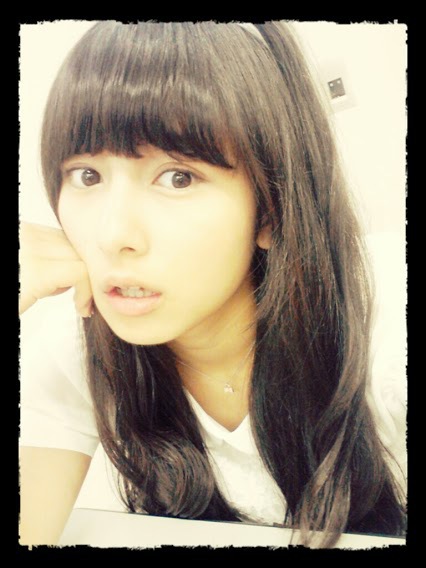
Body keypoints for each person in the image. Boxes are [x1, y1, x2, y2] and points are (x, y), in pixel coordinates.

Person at [19, 21, 406, 548]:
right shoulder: (77, 345)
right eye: (87, 176)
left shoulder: (388, 326)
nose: (112, 236)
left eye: (178, 177)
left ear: (270, 209)